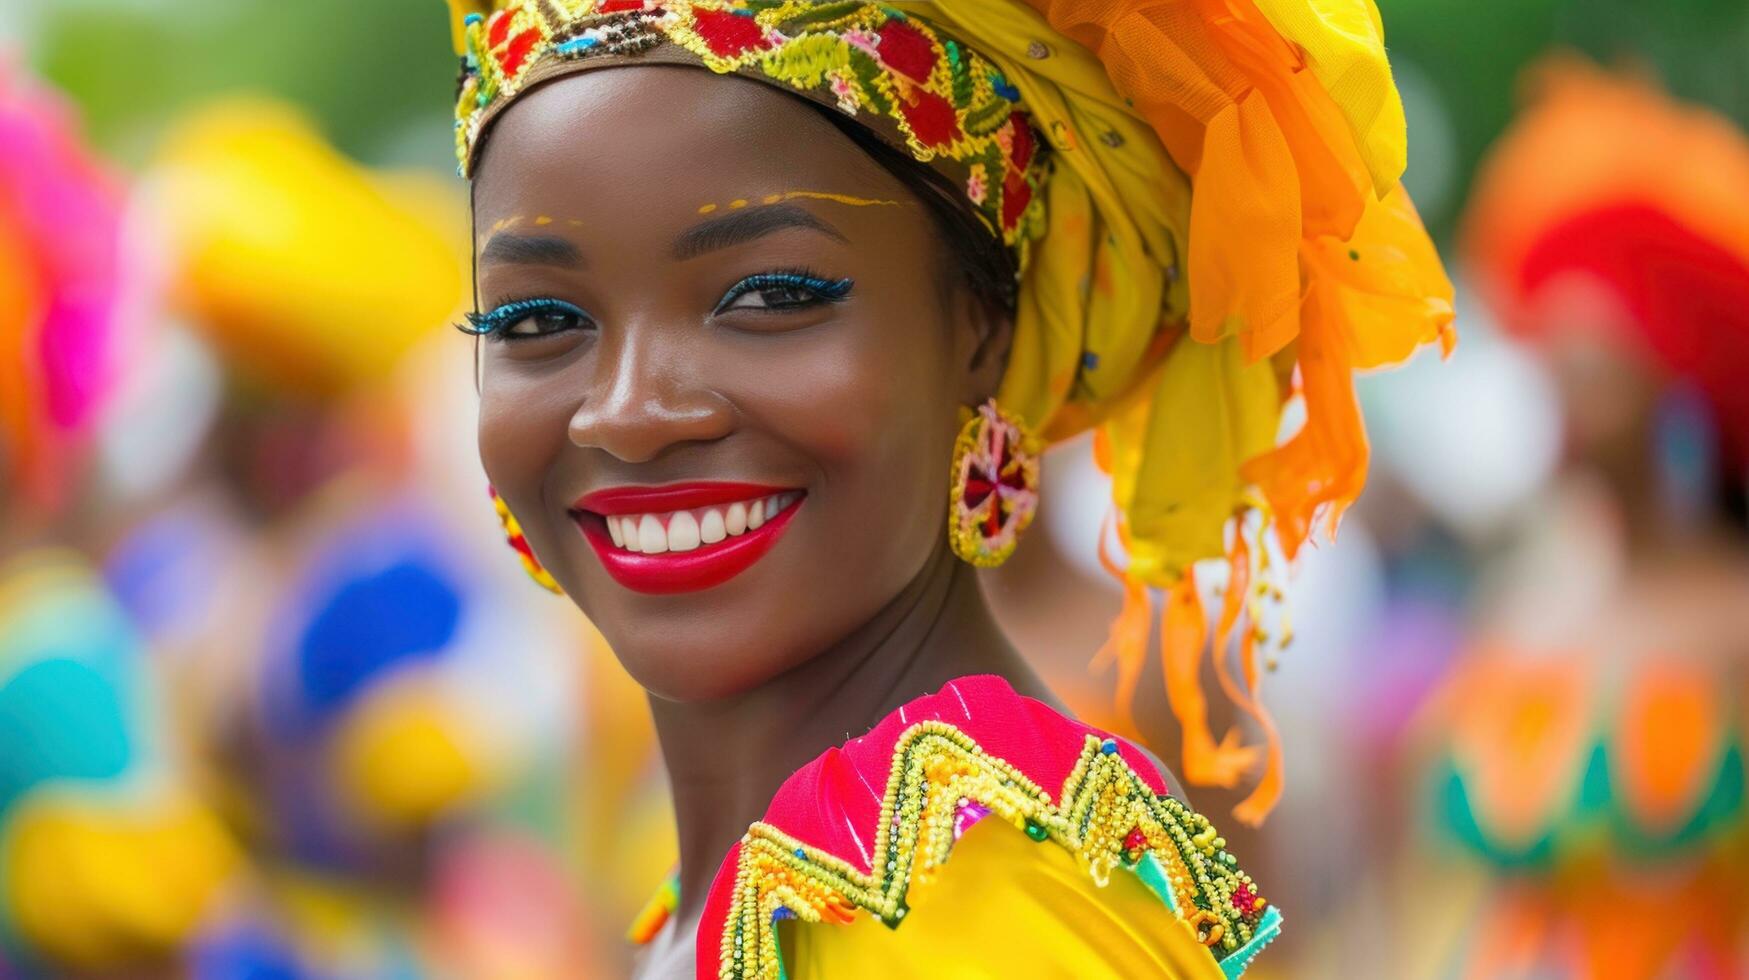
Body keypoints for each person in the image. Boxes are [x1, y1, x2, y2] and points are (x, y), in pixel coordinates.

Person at [445, 1, 1453, 976]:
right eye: (535, 320)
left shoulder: (977, 922)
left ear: (980, 330)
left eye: (770, 295)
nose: (627, 411)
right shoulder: (805, 891)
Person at [1404, 59, 1749, 979]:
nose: (1558, 389)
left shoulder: (1733, 614)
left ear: (1676, 382)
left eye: (1591, 363)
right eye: (1545, 354)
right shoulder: (1516, 606)